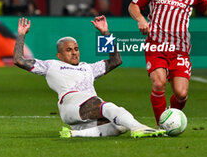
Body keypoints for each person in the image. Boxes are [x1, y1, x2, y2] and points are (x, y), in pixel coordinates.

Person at [13, 16, 165, 138]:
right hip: (71, 103)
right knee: (109, 107)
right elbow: (19, 60)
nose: (74, 52)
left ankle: (76, 134)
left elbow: (116, 60)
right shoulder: (51, 65)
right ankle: (139, 128)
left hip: (87, 110)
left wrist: (105, 33)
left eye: (76, 49)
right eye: (68, 50)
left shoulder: (88, 68)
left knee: (119, 126)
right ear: (59, 55)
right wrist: (21, 35)